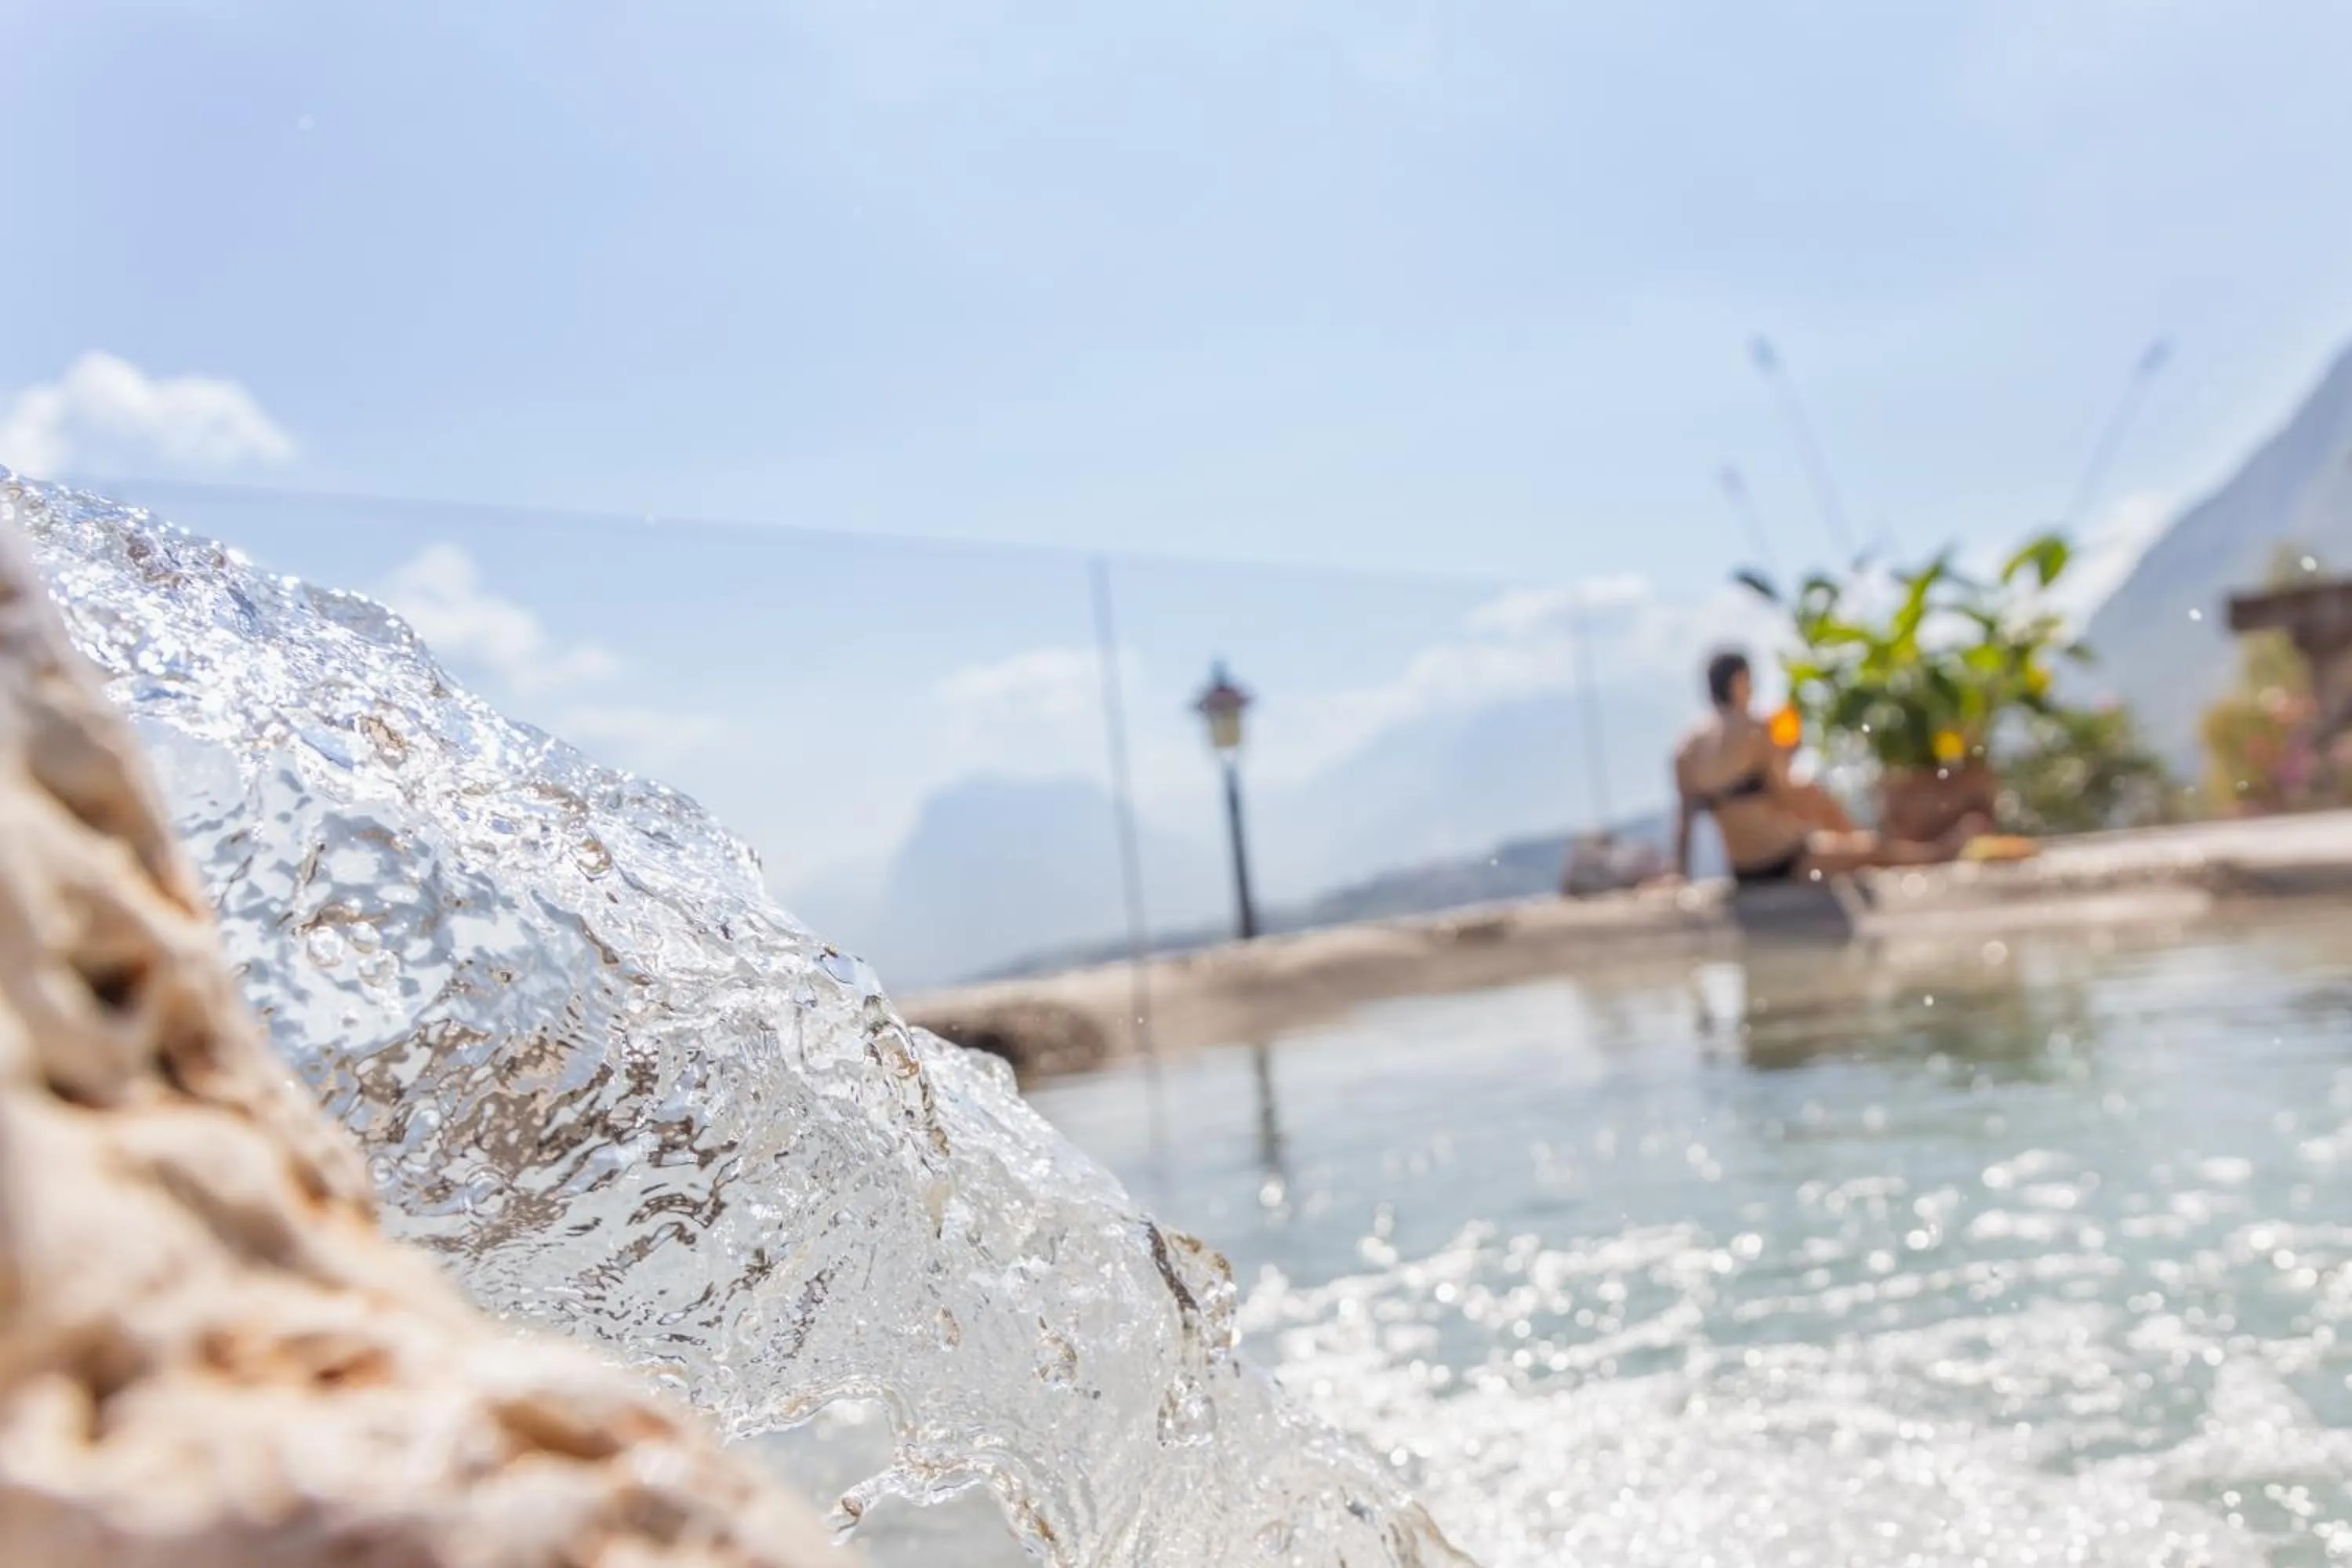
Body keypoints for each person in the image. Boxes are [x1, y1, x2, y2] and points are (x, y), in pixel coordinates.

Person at [1669, 649, 1994, 885]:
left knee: (1832, 821)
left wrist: (1682, 876)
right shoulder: (1755, 729)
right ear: (1740, 682)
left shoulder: (1686, 749)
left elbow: (1685, 822)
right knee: (1870, 848)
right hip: (1784, 858)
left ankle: (1860, 841)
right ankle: (1939, 852)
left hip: (1743, 870)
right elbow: (1786, 797)